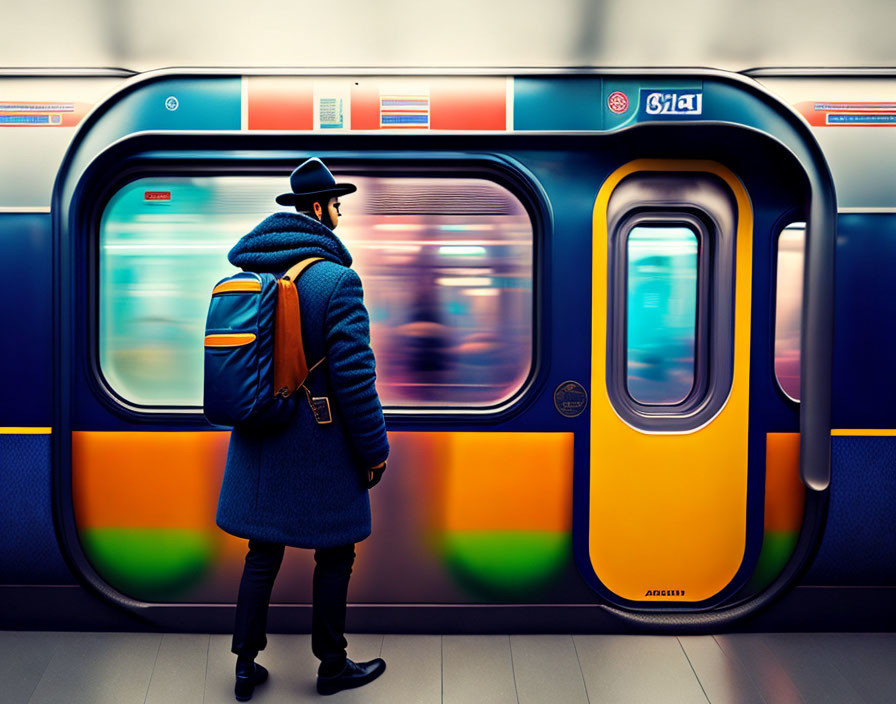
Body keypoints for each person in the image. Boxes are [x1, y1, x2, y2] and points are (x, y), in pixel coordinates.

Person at [215, 157, 389, 700]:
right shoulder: (337, 282)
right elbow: (356, 379)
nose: (339, 212)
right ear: (318, 210)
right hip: (319, 443)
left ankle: (245, 664)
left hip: (260, 439)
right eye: (336, 203)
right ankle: (332, 665)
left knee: (261, 552)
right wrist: (375, 450)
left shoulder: (250, 275)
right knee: (335, 552)